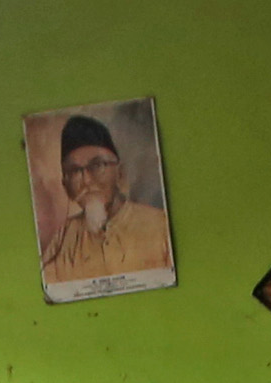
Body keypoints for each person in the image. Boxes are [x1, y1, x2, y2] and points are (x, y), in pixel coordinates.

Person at [37, 113, 172, 289]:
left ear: (120, 172)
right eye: (74, 171)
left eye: (97, 165)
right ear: (66, 185)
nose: (85, 180)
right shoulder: (63, 240)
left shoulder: (160, 226)